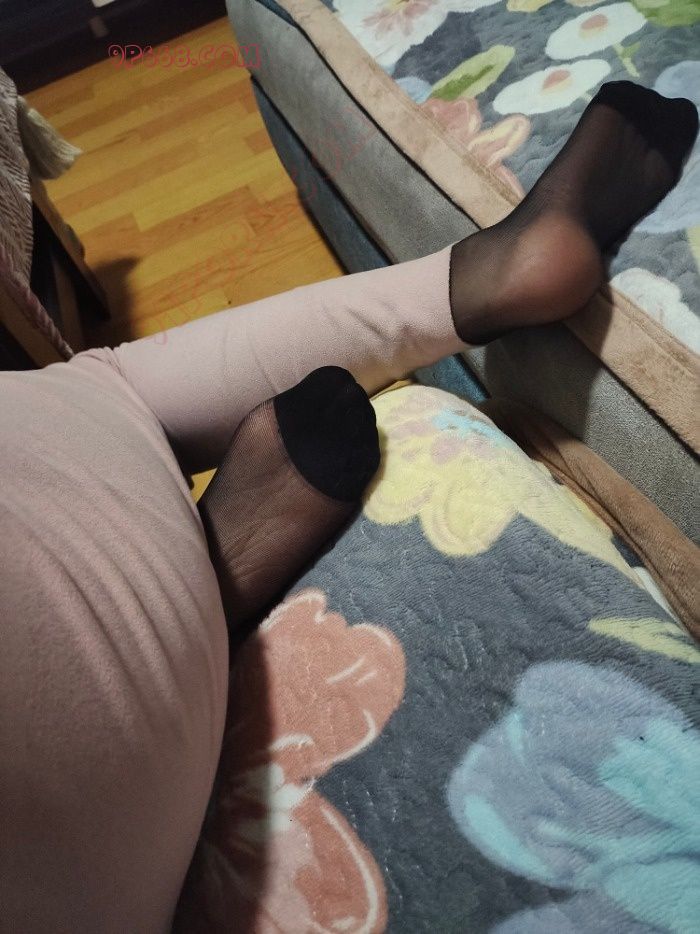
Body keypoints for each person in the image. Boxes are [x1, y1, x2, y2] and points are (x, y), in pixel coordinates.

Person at [0, 82, 696, 933]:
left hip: (82, 834)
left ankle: (192, 602)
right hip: (73, 479)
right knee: (112, 388)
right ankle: (466, 283)